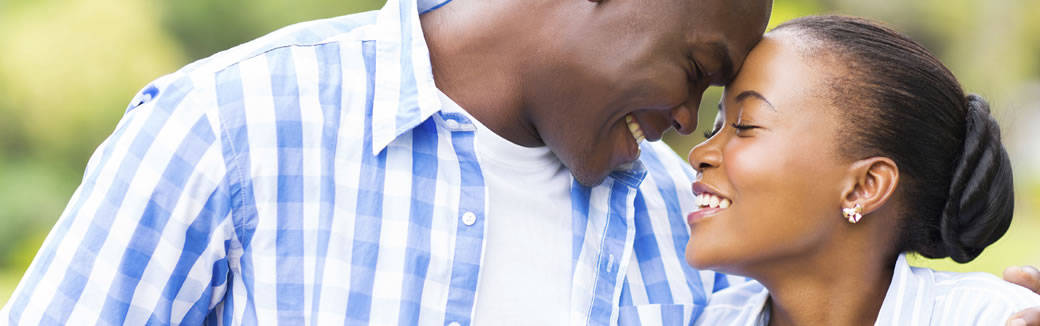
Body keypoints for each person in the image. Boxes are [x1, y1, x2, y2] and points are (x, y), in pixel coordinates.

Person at [0, 0, 1038, 324]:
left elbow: (850, 283)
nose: (686, 122)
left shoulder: (676, 221)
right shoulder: (229, 127)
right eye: (695, 71)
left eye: (729, 112)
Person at [686, 15, 1040, 325]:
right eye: (713, 128)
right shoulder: (708, 320)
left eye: (745, 126)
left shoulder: (997, 318)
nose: (700, 153)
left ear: (864, 186)